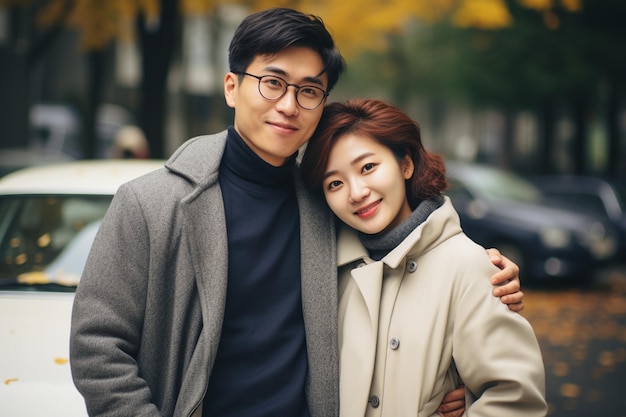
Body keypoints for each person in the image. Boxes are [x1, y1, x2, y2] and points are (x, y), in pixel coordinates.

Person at [70, 8, 524, 417]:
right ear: (232, 87)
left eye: (309, 90)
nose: (289, 105)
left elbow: (408, 267)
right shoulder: (151, 203)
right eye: (272, 81)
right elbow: (97, 345)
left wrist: (488, 282)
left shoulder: (329, 205)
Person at [300, 98, 547, 417]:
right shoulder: (324, 270)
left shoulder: (467, 266)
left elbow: (516, 399)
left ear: (405, 164)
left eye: (368, 167)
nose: (356, 192)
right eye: (335, 183)